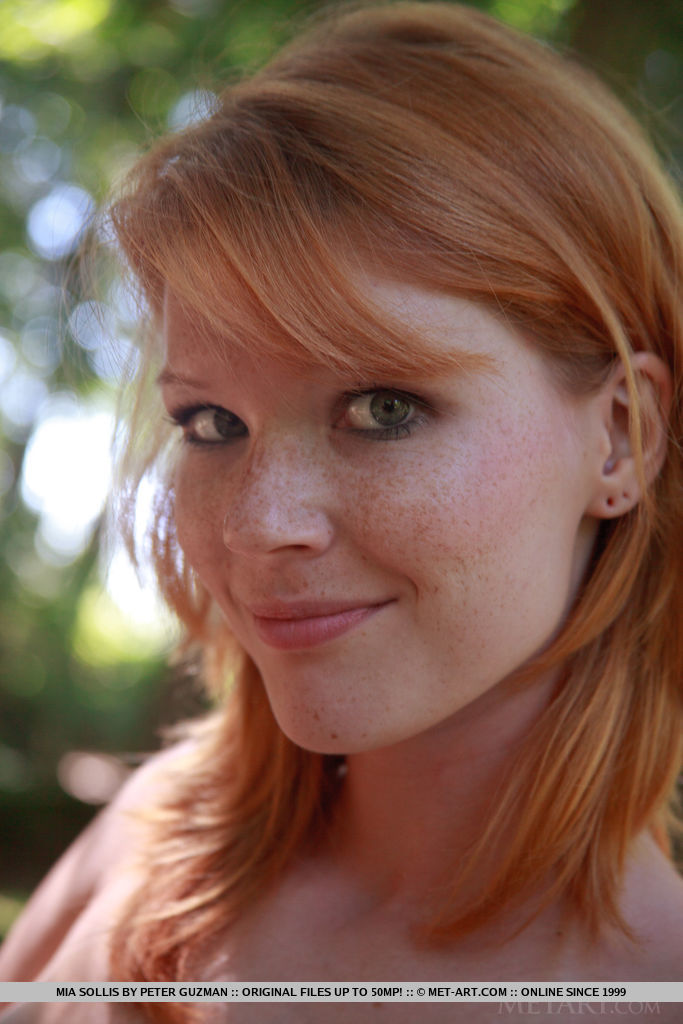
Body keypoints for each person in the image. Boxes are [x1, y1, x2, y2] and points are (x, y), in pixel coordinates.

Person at [1, 2, 682, 1021]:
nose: (257, 522)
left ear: (620, 436)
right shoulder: (146, 844)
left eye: (383, 408)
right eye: (212, 423)